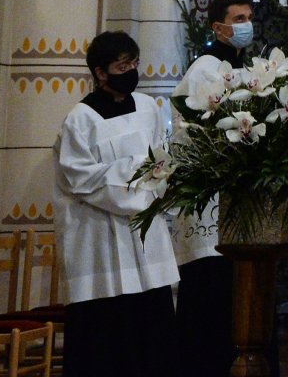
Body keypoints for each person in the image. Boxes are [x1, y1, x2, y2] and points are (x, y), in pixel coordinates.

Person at [55, 31, 178, 377]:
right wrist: (133, 177)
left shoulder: (148, 108)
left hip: (145, 238)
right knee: (106, 341)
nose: (131, 70)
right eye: (122, 65)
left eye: (134, 62)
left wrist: (153, 177)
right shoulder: (80, 119)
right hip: (100, 240)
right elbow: (78, 177)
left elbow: (160, 158)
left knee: (150, 331)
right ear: (101, 72)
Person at [171, 0, 255, 377]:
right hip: (210, 208)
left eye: (249, 18)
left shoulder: (246, 69)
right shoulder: (206, 68)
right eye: (238, 19)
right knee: (211, 307)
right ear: (218, 28)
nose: (246, 25)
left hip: (240, 206)